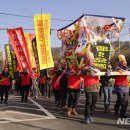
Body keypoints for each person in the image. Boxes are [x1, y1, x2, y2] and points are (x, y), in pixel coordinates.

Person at [81, 52, 101, 124]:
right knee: (89, 102)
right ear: (88, 61)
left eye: (92, 60)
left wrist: (107, 72)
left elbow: (102, 71)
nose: (91, 61)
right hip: (88, 86)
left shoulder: (96, 67)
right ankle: (86, 117)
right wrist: (89, 70)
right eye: (90, 60)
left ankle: (90, 115)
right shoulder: (85, 67)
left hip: (96, 87)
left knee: (94, 102)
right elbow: (83, 71)